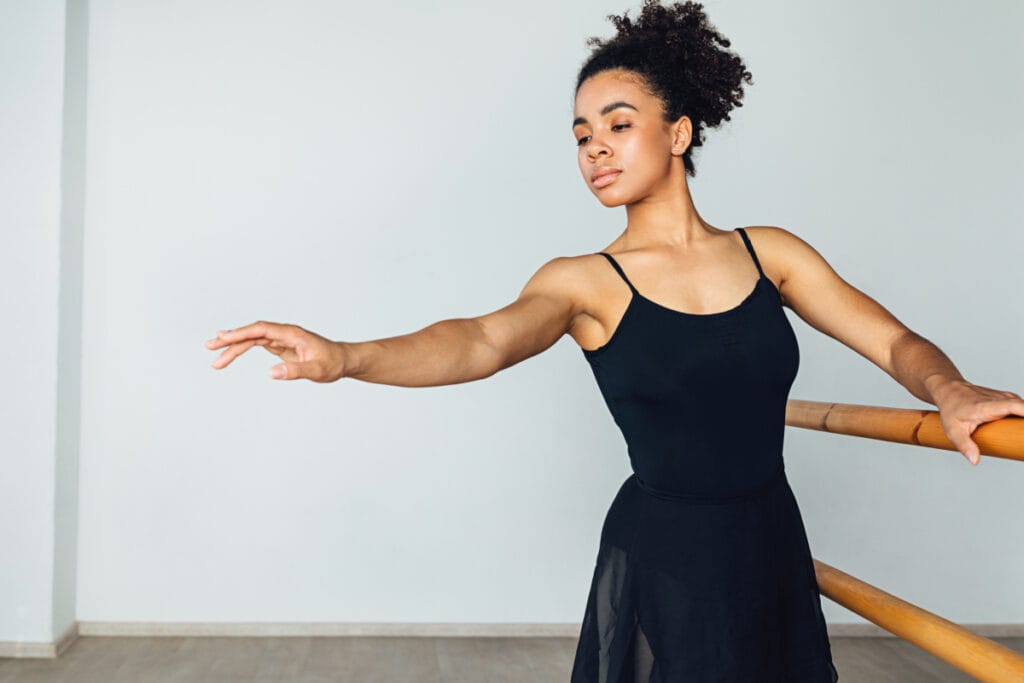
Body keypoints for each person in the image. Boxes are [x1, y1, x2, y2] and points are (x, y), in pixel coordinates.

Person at [205, 1, 1024, 679]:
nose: (593, 145)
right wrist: (346, 358)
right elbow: (480, 340)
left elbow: (894, 342)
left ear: (679, 133)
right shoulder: (584, 283)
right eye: (580, 133)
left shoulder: (771, 253)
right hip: (664, 552)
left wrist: (949, 391)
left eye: (617, 123)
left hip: (773, 537)